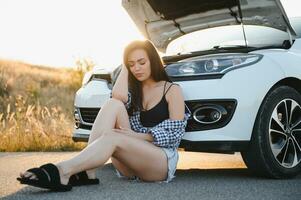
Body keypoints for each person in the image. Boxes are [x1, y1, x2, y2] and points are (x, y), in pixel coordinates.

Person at [17, 39, 191, 192]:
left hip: (160, 163)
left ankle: (62, 170)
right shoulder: (134, 90)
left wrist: (135, 136)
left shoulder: (172, 90)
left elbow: (173, 136)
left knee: (112, 136)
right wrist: (125, 68)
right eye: (131, 64)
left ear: (153, 60)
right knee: (112, 104)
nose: (136, 68)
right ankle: (88, 171)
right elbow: (118, 97)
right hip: (131, 162)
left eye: (141, 62)